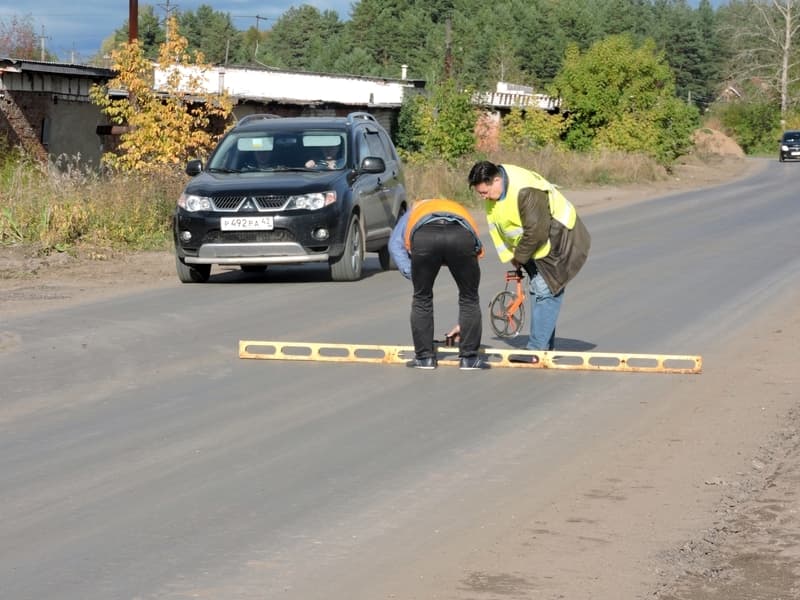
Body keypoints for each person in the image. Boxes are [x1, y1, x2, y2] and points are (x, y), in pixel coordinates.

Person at [468, 161, 590, 362]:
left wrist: (519, 257)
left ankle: (536, 350)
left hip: (560, 239)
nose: (482, 197)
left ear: (496, 180)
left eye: (484, 192)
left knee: (546, 291)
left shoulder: (526, 191)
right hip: (534, 248)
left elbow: (536, 233)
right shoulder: (494, 193)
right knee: (539, 290)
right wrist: (511, 257)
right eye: (480, 193)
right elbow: (496, 226)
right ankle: (544, 348)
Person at [388, 198, 486, 370]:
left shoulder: (416, 210)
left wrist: (415, 276)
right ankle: (469, 359)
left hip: (425, 236)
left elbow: (395, 244)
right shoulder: (458, 207)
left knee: (422, 298)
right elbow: (475, 247)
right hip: (460, 234)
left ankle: (424, 358)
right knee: (469, 298)